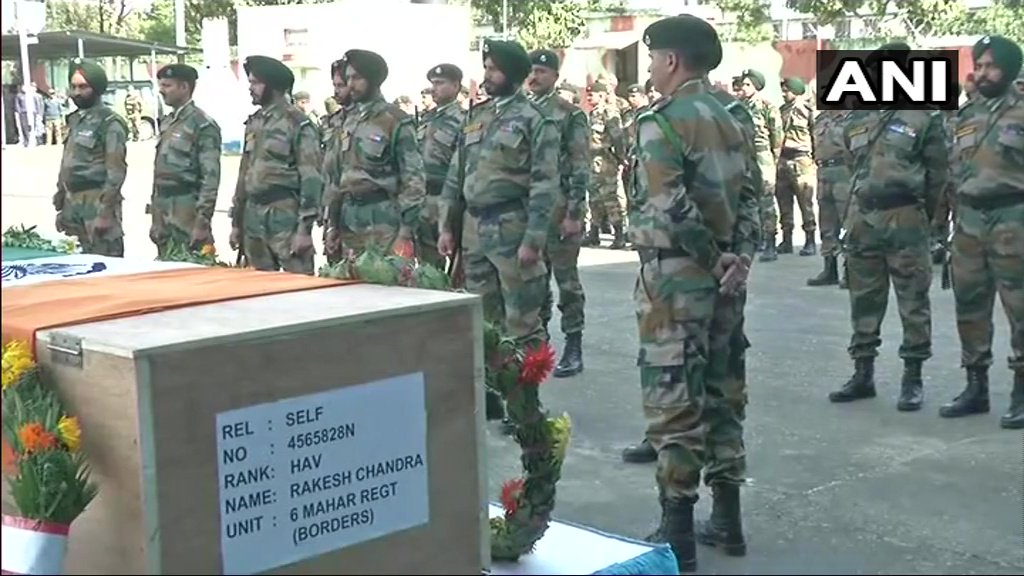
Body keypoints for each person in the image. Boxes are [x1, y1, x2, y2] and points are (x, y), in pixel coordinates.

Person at [631, 15, 750, 573]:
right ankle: (728, 518)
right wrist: (737, 258)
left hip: (678, 277)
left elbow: (670, 205)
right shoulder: (730, 118)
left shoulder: (663, 119)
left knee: (674, 401)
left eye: (653, 57)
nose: (650, 67)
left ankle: (676, 534)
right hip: (726, 279)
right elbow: (751, 196)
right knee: (724, 391)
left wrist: (710, 257)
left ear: (672, 60)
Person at [437, 39, 560, 423]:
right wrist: (447, 225)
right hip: (474, 230)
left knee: (522, 322)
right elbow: (455, 177)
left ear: (513, 74)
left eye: (493, 68)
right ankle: (491, 393)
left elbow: (544, 186)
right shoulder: (476, 117)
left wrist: (534, 241)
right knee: (483, 321)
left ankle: (525, 403)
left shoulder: (535, 121)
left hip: (513, 230)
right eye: (486, 67)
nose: (486, 75)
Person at [829, 42, 948, 412]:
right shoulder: (857, 117)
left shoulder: (924, 117)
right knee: (863, 299)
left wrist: (927, 219)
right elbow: (853, 166)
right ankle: (862, 374)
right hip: (863, 219)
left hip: (906, 219)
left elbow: (938, 175)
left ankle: (912, 377)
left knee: (913, 300)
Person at [941, 35, 1024, 429]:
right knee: (970, 306)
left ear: (1009, 69)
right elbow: (953, 169)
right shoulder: (966, 115)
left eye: (991, 65)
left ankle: (1022, 391)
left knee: (1020, 310)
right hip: (970, 222)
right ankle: (976, 386)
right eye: (979, 64)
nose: (983, 72)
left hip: (1014, 219)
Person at [324, 49, 425, 259]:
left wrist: (405, 232)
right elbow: (338, 176)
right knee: (350, 286)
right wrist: (332, 223)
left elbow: (413, 180)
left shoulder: (395, 120)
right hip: (349, 218)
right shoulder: (348, 121)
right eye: (348, 77)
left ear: (373, 80)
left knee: (386, 285)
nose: (350, 84)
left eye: (357, 78)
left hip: (384, 220)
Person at [528, 49, 590, 377]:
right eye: (531, 71)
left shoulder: (569, 114)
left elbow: (580, 165)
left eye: (540, 71)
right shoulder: (520, 111)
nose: (533, 77)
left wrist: (575, 212)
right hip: (530, 212)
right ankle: (539, 347)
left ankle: (573, 345)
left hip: (560, 207)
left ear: (554, 75)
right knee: (533, 282)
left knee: (566, 281)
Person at [229, 55, 323, 274]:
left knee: (297, 289)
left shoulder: (298, 124)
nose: (250, 88)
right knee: (256, 290)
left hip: (284, 217)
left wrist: (305, 229)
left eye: (255, 83)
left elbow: (311, 178)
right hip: (254, 218)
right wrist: (236, 222)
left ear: (273, 86)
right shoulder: (255, 122)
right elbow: (245, 173)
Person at [54, 58, 128, 257]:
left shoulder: (110, 123)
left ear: (96, 88)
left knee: (104, 263)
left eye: (83, 87)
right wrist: (61, 200)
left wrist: (105, 213)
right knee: (74, 265)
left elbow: (116, 172)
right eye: (73, 86)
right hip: (72, 205)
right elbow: (67, 162)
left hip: (97, 203)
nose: (77, 92)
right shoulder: (75, 119)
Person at [149, 63, 222, 260]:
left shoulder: (202, 124)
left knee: (195, 267)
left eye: (167, 85)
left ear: (184, 87)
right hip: (164, 212)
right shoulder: (168, 122)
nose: (162, 91)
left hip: (187, 211)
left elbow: (210, 178)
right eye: (161, 85)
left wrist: (202, 222)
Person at [418, 63, 466, 268]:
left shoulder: (464, 120)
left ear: (455, 86)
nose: (433, 88)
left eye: (439, 83)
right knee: (428, 266)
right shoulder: (426, 119)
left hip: (449, 200)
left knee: (457, 266)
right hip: (423, 199)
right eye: (432, 84)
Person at [736, 69, 783, 261]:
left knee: (766, 200)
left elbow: (777, 136)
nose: (744, 88)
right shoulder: (738, 107)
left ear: (756, 85)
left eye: (748, 84)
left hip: (763, 154)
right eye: (743, 85)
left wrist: (773, 159)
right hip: (744, 156)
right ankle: (755, 238)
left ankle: (770, 241)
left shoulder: (767, 106)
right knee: (748, 199)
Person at [807, 107, 853, 287]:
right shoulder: (820, 119)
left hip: (843, 171)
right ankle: (829, 268)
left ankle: (851, 270)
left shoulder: (851, 117)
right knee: (826, 223)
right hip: (823, 171)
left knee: (848, 222)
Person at [776, 77, 817, 256]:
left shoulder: (806, 109)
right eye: (783, 91)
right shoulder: (781, 110)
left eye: (787, 90)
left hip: (801, 159)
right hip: (783, 159)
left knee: (805, 201)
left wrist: (815, 157)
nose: (784, 94)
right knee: (783, 201)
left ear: (796, 90)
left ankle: (810, 240)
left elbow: (815, 133)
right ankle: (787, 239)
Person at [584, 81, 627, 248]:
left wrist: (621, 157)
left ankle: (619, 235)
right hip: (592, 161)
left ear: (601, 96)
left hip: (606, 161)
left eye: (591, 94)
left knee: (610, 199)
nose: (588, 97)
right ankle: (594, 234)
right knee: (594, 199)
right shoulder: (592, 114)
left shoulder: (609, 112)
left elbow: (618, 136)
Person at [321, 57, 354, 265]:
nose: (336, 91)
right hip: (333, 209)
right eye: (334, 85)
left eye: (341, 85)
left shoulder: (380, 120)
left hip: (367, 218)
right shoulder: (334, 121)